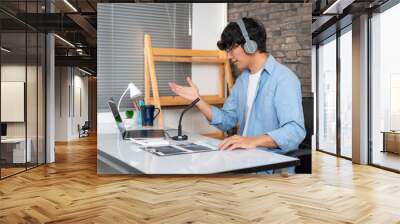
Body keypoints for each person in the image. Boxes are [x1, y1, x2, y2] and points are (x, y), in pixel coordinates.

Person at [169, 17, 305, 154]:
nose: (228, 56)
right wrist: (198, 100)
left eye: (231, 49)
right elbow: (227, 120)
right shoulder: (242, 80)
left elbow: (295, 131)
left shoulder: (284, 79)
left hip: (269, 166)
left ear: (250, 45)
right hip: (242, 157)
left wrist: (253, 141)